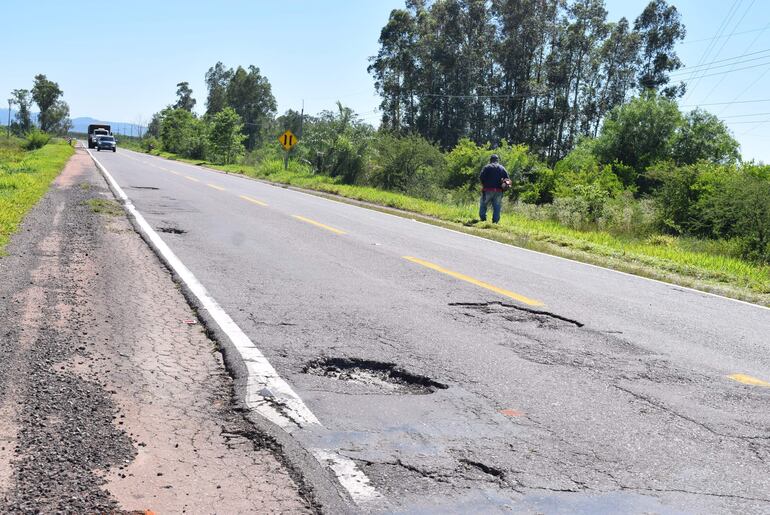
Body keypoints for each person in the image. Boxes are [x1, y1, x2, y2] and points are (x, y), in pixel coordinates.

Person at [478, 154, 510, 223]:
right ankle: (495, 222)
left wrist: (484, 185)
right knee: (497, 207)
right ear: (497, 160)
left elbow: (481, 177)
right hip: (498, 191)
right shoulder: (502, 168)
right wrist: (503, 187)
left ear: (490, 160)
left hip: (487, 190)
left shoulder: (487, 167)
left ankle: (483, 220)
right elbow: (507, 180)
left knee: (483, 205)